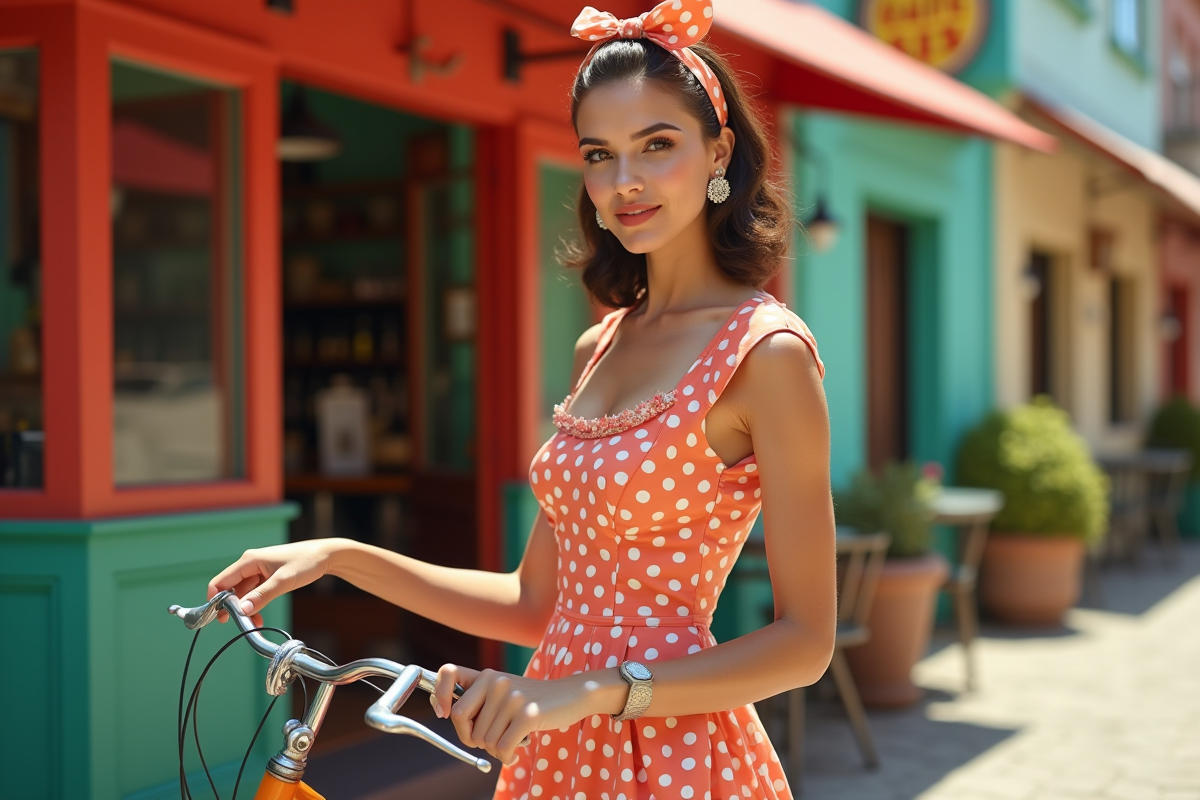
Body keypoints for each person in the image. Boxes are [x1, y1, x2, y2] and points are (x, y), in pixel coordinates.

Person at [208, 1, 836, 796]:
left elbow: (806, 641)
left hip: (674, 755)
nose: (624, 181)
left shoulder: (767, 354)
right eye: (598, 154)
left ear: (720, 151)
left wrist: (589, 691)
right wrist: (341, 557)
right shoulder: (597, 347)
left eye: (657, 145)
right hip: (553, 745)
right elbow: (536, 601)